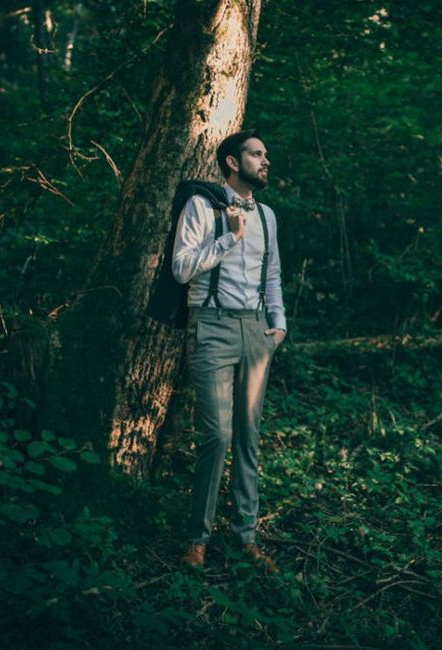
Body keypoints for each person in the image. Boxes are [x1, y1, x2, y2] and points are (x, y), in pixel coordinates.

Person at [172, 130, 286, 573]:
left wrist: (278, 327)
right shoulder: (202, 206)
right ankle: (197, 539)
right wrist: (227, 239)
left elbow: (272, 275)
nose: (266, 160)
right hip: (211, 326)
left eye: (266, 153)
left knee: (247, 436)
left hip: (256, 332)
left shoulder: (269, 216)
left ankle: (245, 537)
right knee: (216, 436)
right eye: (257, 153)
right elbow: (181, 271)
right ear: (233, 162)